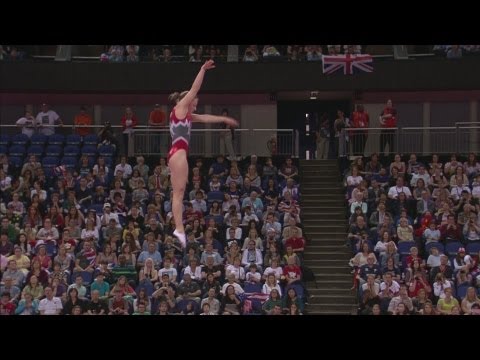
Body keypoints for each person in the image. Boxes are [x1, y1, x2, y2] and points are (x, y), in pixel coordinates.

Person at [167, 60, 238, 248]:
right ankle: (180, 229)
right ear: (187, 102)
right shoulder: (181, 108)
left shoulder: (186, 115)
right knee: (178, 193)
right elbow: (194, 89)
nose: (195, 107)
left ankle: (179, 228)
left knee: (179, 193)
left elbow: (206, 118)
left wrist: (223, 118)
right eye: (194, 104)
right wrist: (202, 70)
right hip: (178, 153)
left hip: (176, 154)